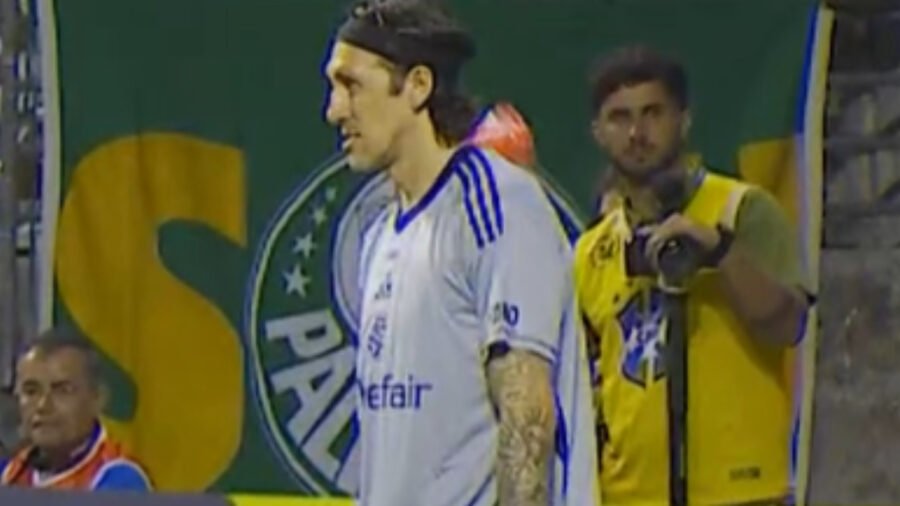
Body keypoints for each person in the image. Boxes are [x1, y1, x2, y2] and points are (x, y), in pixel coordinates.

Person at [322, 1, 598, 505]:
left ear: (418, 86)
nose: (335, 110)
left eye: (351, 85)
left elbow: (527, 415)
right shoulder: (380, 237)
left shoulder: (496, 204)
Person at [574, 45, 813, 506]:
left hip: (741, 490)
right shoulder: (590, 251)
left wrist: (719, 251)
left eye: (652, 113)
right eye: (620, 118)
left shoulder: (741, 209)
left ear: (683, 120)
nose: (637, 133)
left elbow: (788, 326)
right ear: (598, 133)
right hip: (628, 494)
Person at [0, 328, 151, 491]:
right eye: (31, 391)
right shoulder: (9, 473)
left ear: (97, 398)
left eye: (63, 390)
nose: (43, 405)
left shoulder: (120, 478)